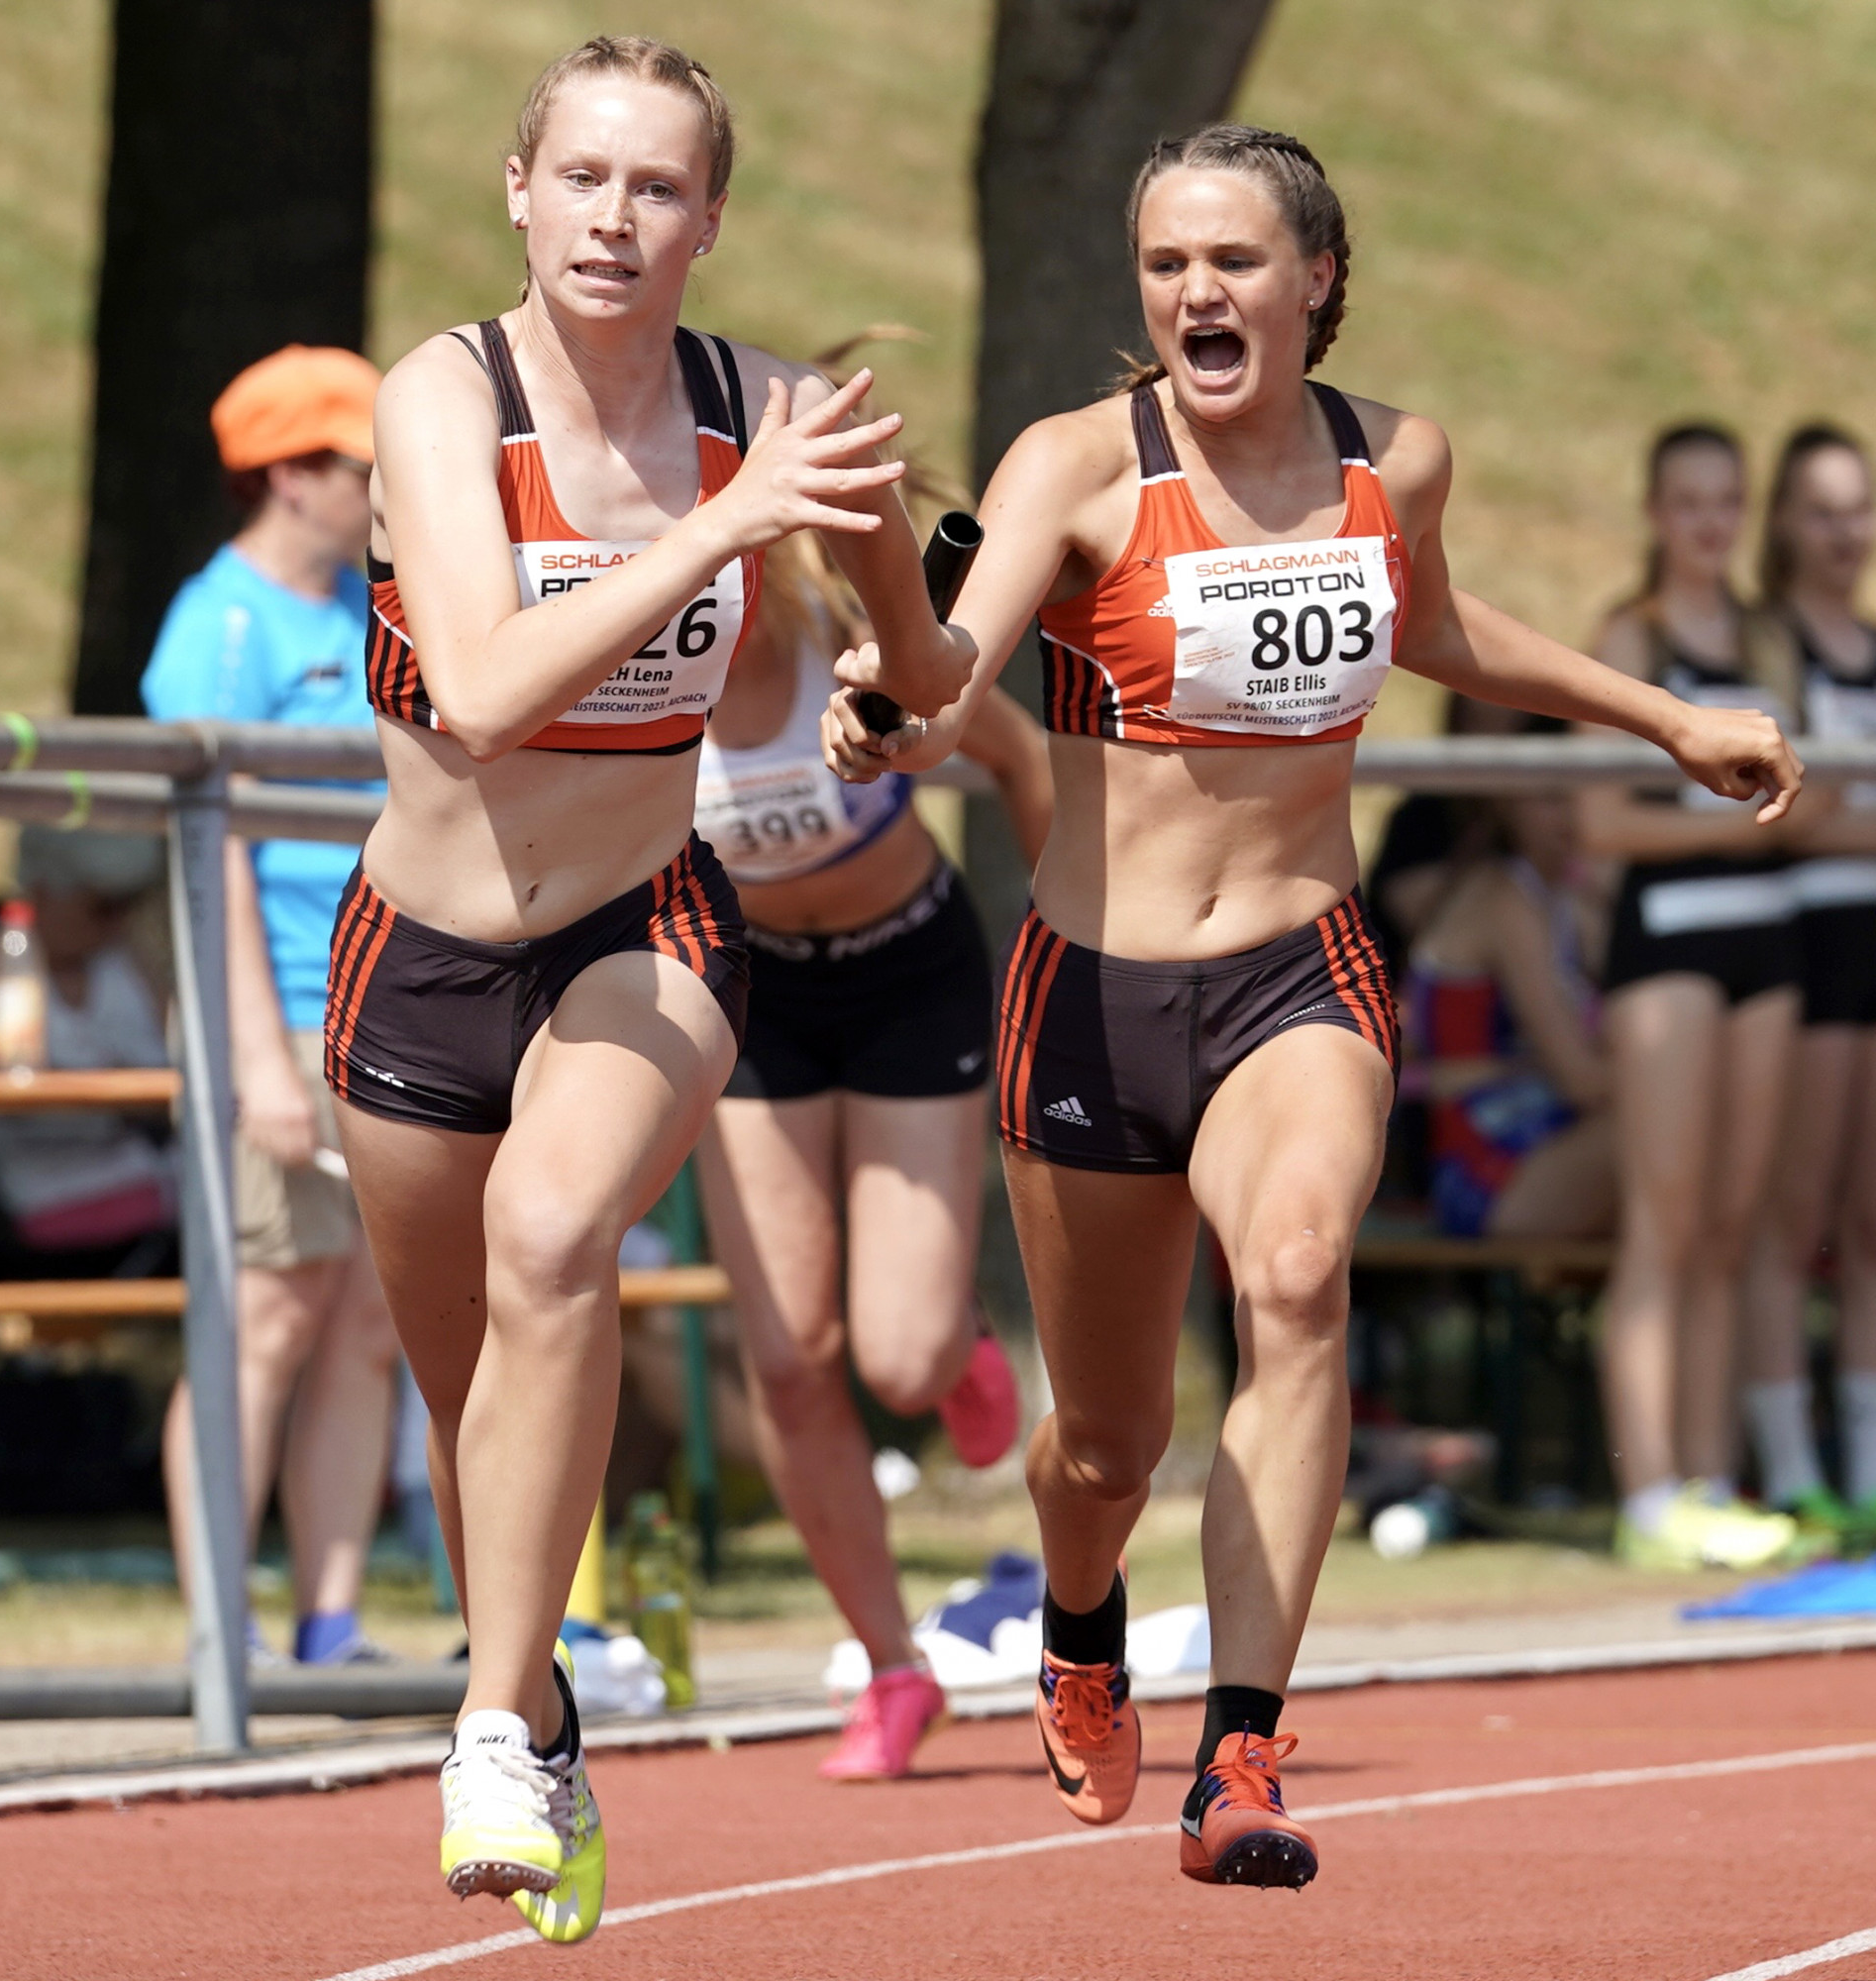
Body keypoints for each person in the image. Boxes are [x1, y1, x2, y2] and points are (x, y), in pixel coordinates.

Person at [824, 122, 1800, 1891]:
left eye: (1236, 260)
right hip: (1094, 1000)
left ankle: (1242, 1760)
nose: (1198, 291)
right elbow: (955, 661)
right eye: (1167, 265)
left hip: (1302, 968)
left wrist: (1669, 717)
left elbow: (1439, 630)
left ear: (1315, 280)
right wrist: (885, 694)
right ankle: (1077, 1611)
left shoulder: (1393, 460)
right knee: (1105, 1442)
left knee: (1293, 1275)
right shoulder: (1076, 468)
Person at [329, 38, 971, 1943]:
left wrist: (891, 682)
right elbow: (487, 685)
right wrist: (718, 528)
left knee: (552, 1243)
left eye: (661, 186)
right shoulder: (438, 397)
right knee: (476, 1414)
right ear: (516, 189)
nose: (618, 218)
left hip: (648, 931)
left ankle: (481, 1738)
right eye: (585, 177)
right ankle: (535, 1715)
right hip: (421, 954)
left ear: (712, 216)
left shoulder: (767, 412)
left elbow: (919, 649)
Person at [692, 523, 1050, 1780]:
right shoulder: (628, 663)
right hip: (749, 991)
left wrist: (1084, 944)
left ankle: (955, 1351)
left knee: (896, 1358)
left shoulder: (843, 628)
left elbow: (1015, 752)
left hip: (909, 969)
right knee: (788, 1353)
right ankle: (894, 1667)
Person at [142, 343, 402, 1667]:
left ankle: (331, 1613)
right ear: (296, 475)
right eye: (369, 465)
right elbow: (213, 858)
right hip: (279, 1006)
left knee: (366, 1319)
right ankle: (218, 1624)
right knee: (269, 1309)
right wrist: (249, 1045)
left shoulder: (377, 607)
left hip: (381, 1002)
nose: (389, 488)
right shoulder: (221, 626)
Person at [1580, 425, 1806, 1573]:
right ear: (1655, 510)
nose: (1710, 522)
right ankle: (1648, 1484)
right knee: (1661, 1222)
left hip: (1762, 943)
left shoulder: (1765, 638)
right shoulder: (1632, 637)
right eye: (1688, 501)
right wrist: (1722, 813)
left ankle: (1711, 1475)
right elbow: (1597, 819)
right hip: (1664, 942)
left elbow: (1799, 797)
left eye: (1726, 501)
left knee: (1727, 1222)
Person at [1743, 424, 1876, 1534]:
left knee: (1869, 1213)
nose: (1842, 532)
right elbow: (1789, 813)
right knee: (1792, 1211)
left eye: (1858, 508)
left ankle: (1867, 1467)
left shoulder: (1868, 643)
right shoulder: (1768, 642)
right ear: (1783, 521)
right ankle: (1789, 1468)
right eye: (1821, 510)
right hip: (1802, 949)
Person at [0, 827, 177, 1255]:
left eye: (127, 905)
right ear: (43, 889)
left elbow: (180, 1062)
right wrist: (127, 1093)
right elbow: (24, 1094)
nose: (117, 921)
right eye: (102, 906)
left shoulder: (126, 957)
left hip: (156, 1172)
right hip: (56, 1189)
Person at [1401, 776, 1614, 1240]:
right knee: (1674, 1129)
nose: (1572, 813)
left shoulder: (1565, 900)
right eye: (1552, 796)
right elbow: (1583, 1081)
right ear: (1508, 804)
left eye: (1584, 794)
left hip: (1549, 1144)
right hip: (1484, 1172)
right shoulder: (1503, 901)